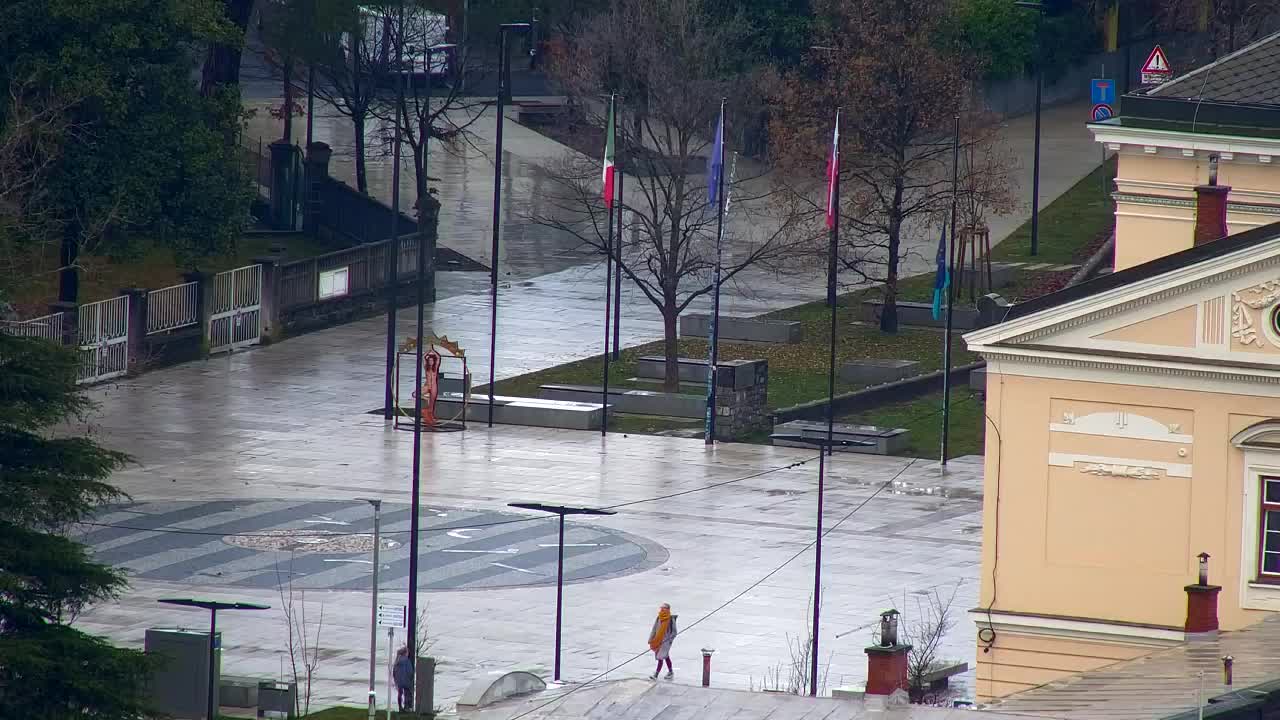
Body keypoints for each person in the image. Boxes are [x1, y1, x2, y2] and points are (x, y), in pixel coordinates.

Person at [647, 603, 677, 680]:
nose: (662, 610)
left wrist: (669, 640)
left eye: (664, 608)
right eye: (661, 608)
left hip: (666, 642)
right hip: (658, 640)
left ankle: (656, 675)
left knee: (660, 657)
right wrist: (651, 638)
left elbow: (674, 632)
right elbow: (654, 629)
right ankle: (670, 672)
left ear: (668, 609)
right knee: (665, 656)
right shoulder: (659, 618)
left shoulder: (670, 619)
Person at [393, 647, 414, 711]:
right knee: (407, 693)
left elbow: (394, 672)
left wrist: (396, 679)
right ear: (405, 653)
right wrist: (411, 678)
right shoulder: (407, 660)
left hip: (399, 681)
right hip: (406, 680)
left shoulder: (397, 661)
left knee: (400, 693)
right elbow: (410, 671)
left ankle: (400, 707)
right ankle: (406, 707)